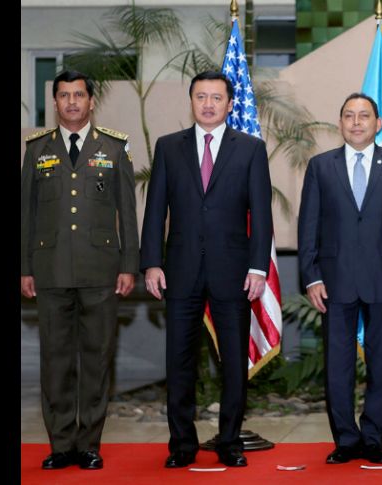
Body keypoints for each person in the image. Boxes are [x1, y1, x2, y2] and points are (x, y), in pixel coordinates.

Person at [140, 71, 272, 469]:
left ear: (230, 104)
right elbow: (155, 210)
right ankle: (182, 445)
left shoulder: (250, 149)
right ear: (192, 101)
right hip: (180, 271)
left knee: (233, 362)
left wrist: (258, 267)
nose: (208, 104)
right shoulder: (169, 147)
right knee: (179, 361)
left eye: (216, 97)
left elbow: (261, 214)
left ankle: (229, 442)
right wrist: (151, 262)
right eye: (201, 97)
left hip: (234, 271)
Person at [20, 70, 139, 470]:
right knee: (55, 361)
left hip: (101, 272)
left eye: (79, 95)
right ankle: (60, 445)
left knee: (96, 359)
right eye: (64, 95)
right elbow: (26, 214)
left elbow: (128, 212)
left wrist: (129, 265)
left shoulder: (114, 147)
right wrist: (24, 267)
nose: (72, 102)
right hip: (50, 270)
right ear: (55, 102)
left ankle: (88, 444)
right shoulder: (37, 150)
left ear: (91, 101)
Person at [298, 93, 382, 465]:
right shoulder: (321, 166)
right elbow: (308, 227)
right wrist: (311, 277)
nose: (356, 122)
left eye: (364, 116)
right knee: (337, 366)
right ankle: (346, 440)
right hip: (333, 281)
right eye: (349, 116)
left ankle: (374, 438)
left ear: (378, 123)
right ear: (340, 123)